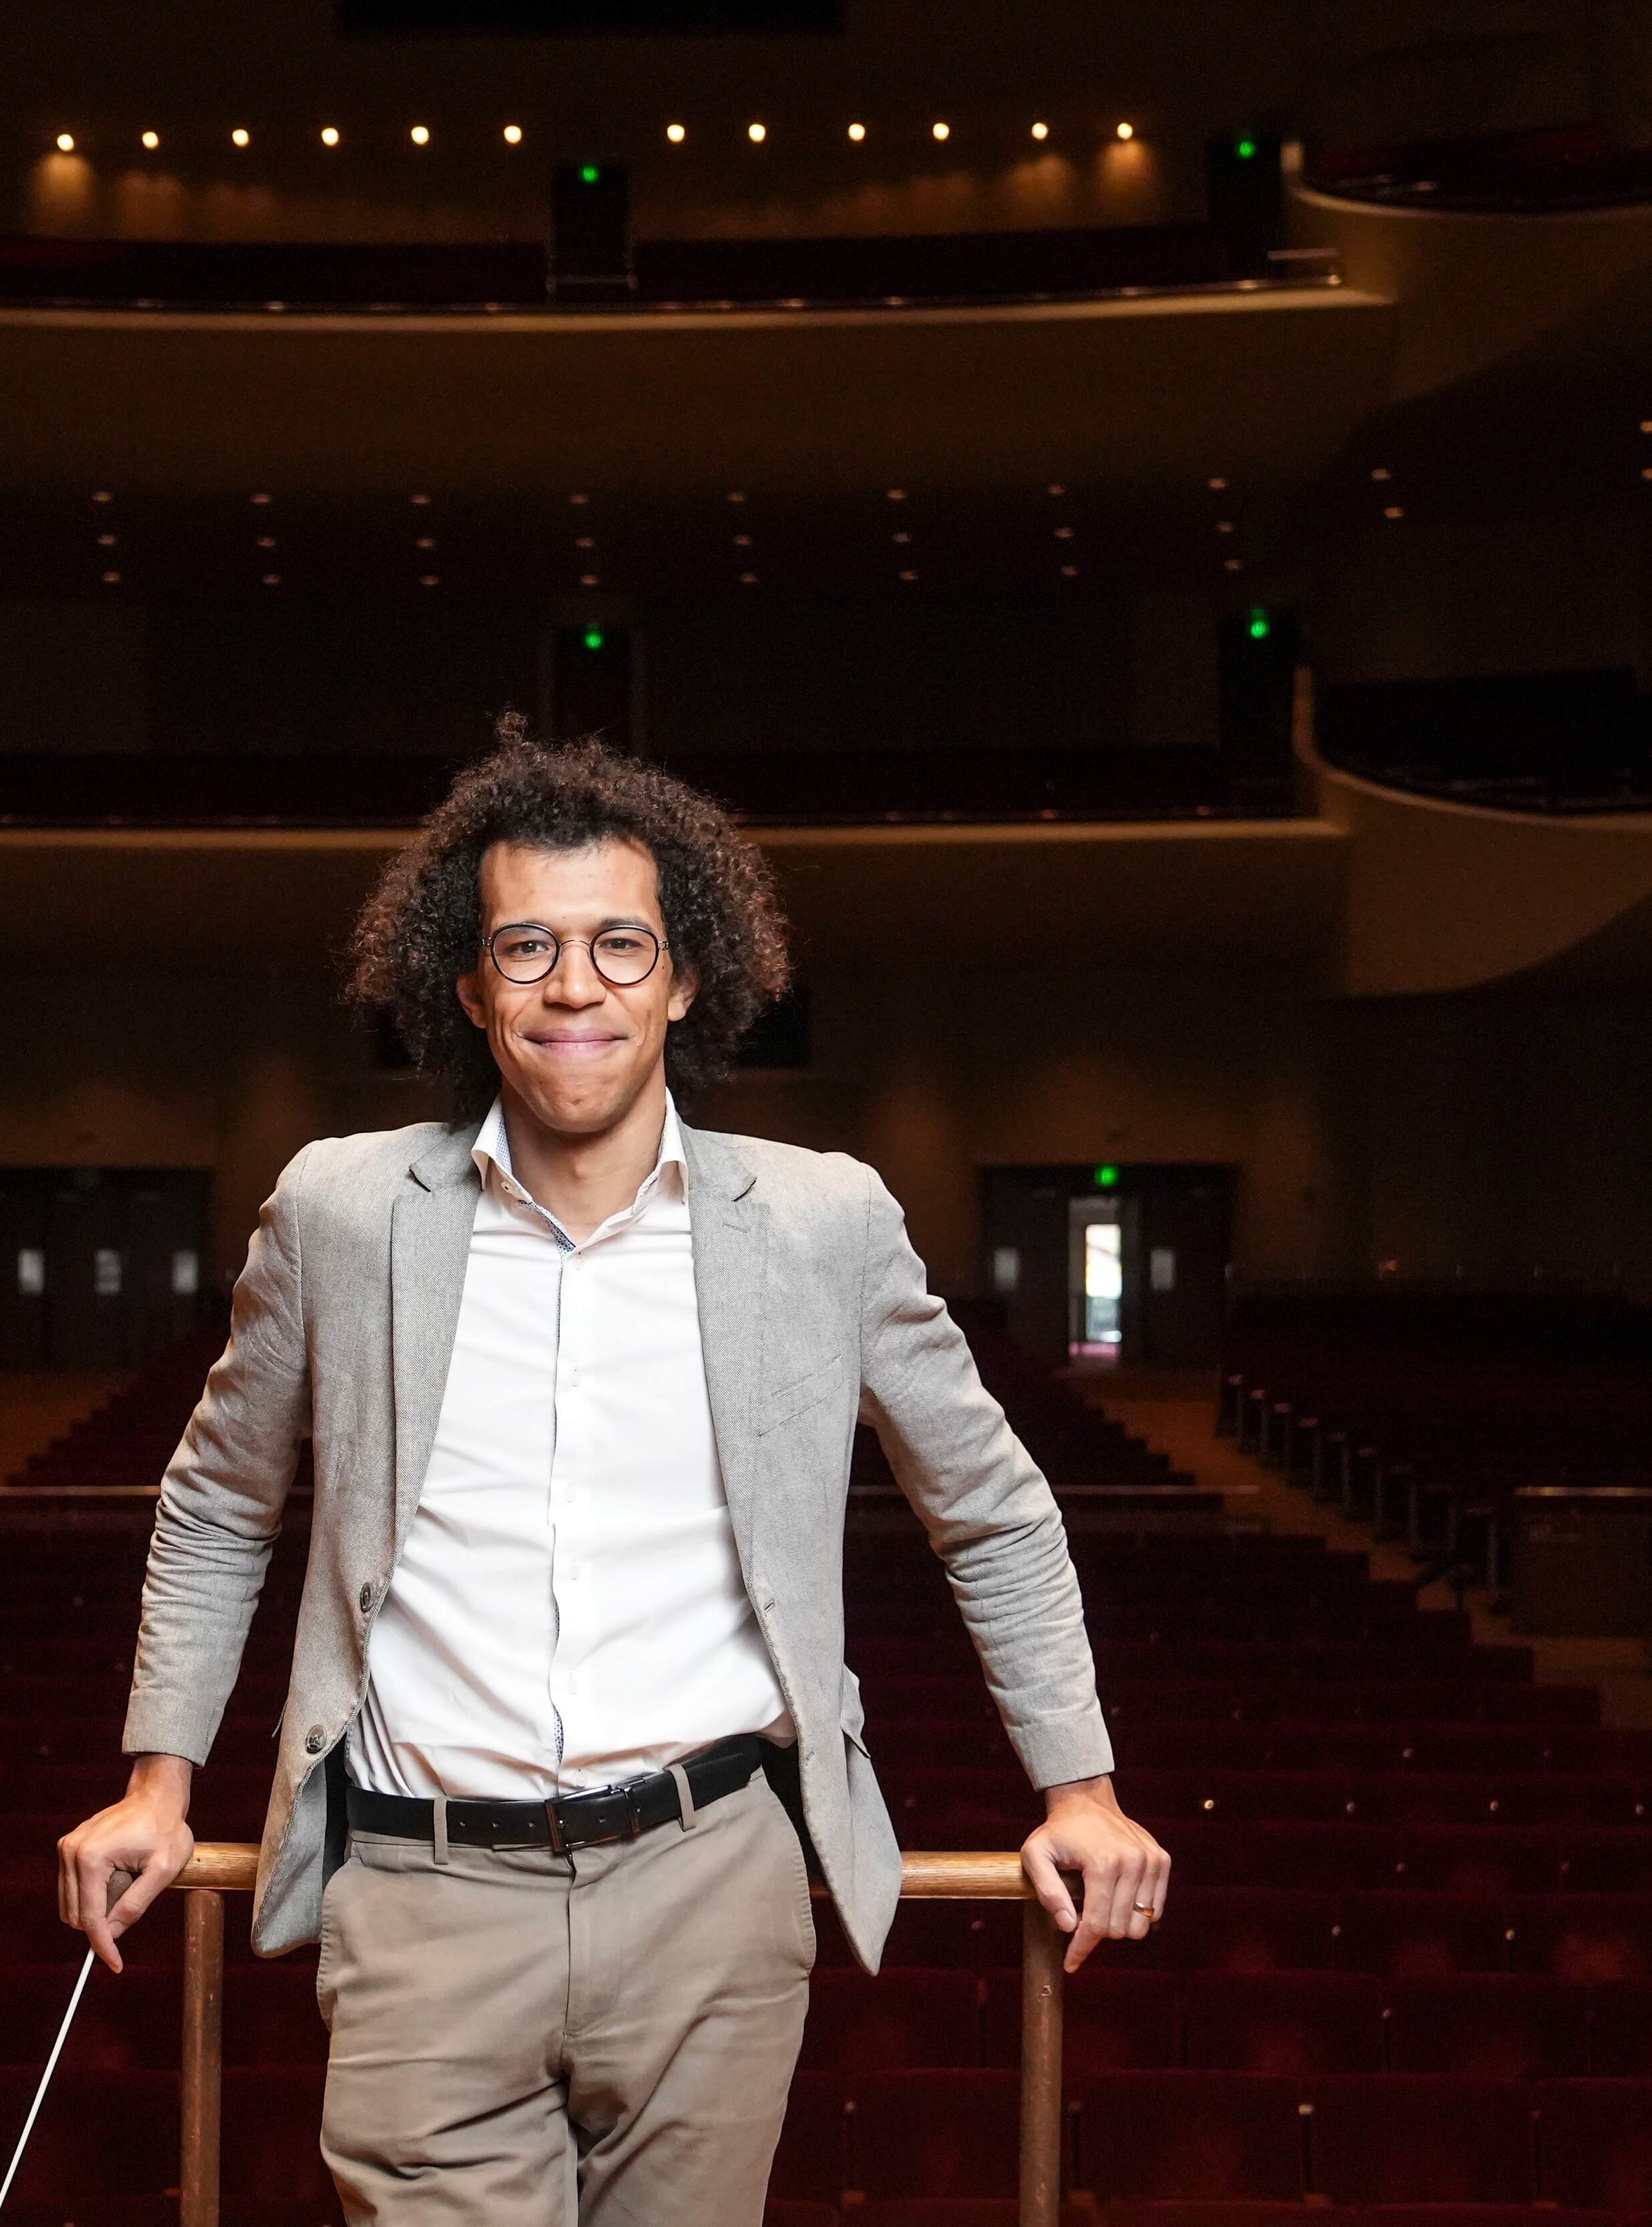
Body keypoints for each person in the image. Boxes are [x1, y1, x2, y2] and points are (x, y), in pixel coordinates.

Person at [58, 725, 1166, 2223]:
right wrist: (158, 1778)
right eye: (528, 947)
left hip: (714, 1886)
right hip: (420, 1890)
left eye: (617, 946)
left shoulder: (822, 1220)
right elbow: (220, 1495)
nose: (573, 985)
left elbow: (990, 1506)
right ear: (468, 983)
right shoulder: (338, 1211)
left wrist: (1079, 1789)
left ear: (685, 977)